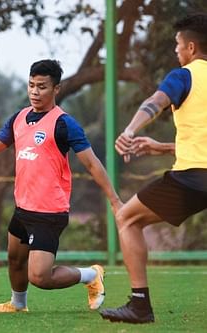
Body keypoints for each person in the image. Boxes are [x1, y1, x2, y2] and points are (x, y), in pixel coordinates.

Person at [0, 59, 122, 313]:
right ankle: (18, 305)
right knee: (15, 260)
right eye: (31, 85)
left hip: (49, 211)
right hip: (23, 207)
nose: (35, 92)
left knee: (39, 277)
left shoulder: (64, 123)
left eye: (41, 86)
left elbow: (93, 165)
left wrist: (114, 200)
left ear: (56, 89)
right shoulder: (18, 118)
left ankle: (90, 275)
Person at [100, 13, 207, 324]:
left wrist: (130, 130)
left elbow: (156, 101)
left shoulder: (183, 75)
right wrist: (161, 147)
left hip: (193, 179)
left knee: (126, 218)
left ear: (190, 47)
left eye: (177, 45)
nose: (176, 51)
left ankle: (140, 305)